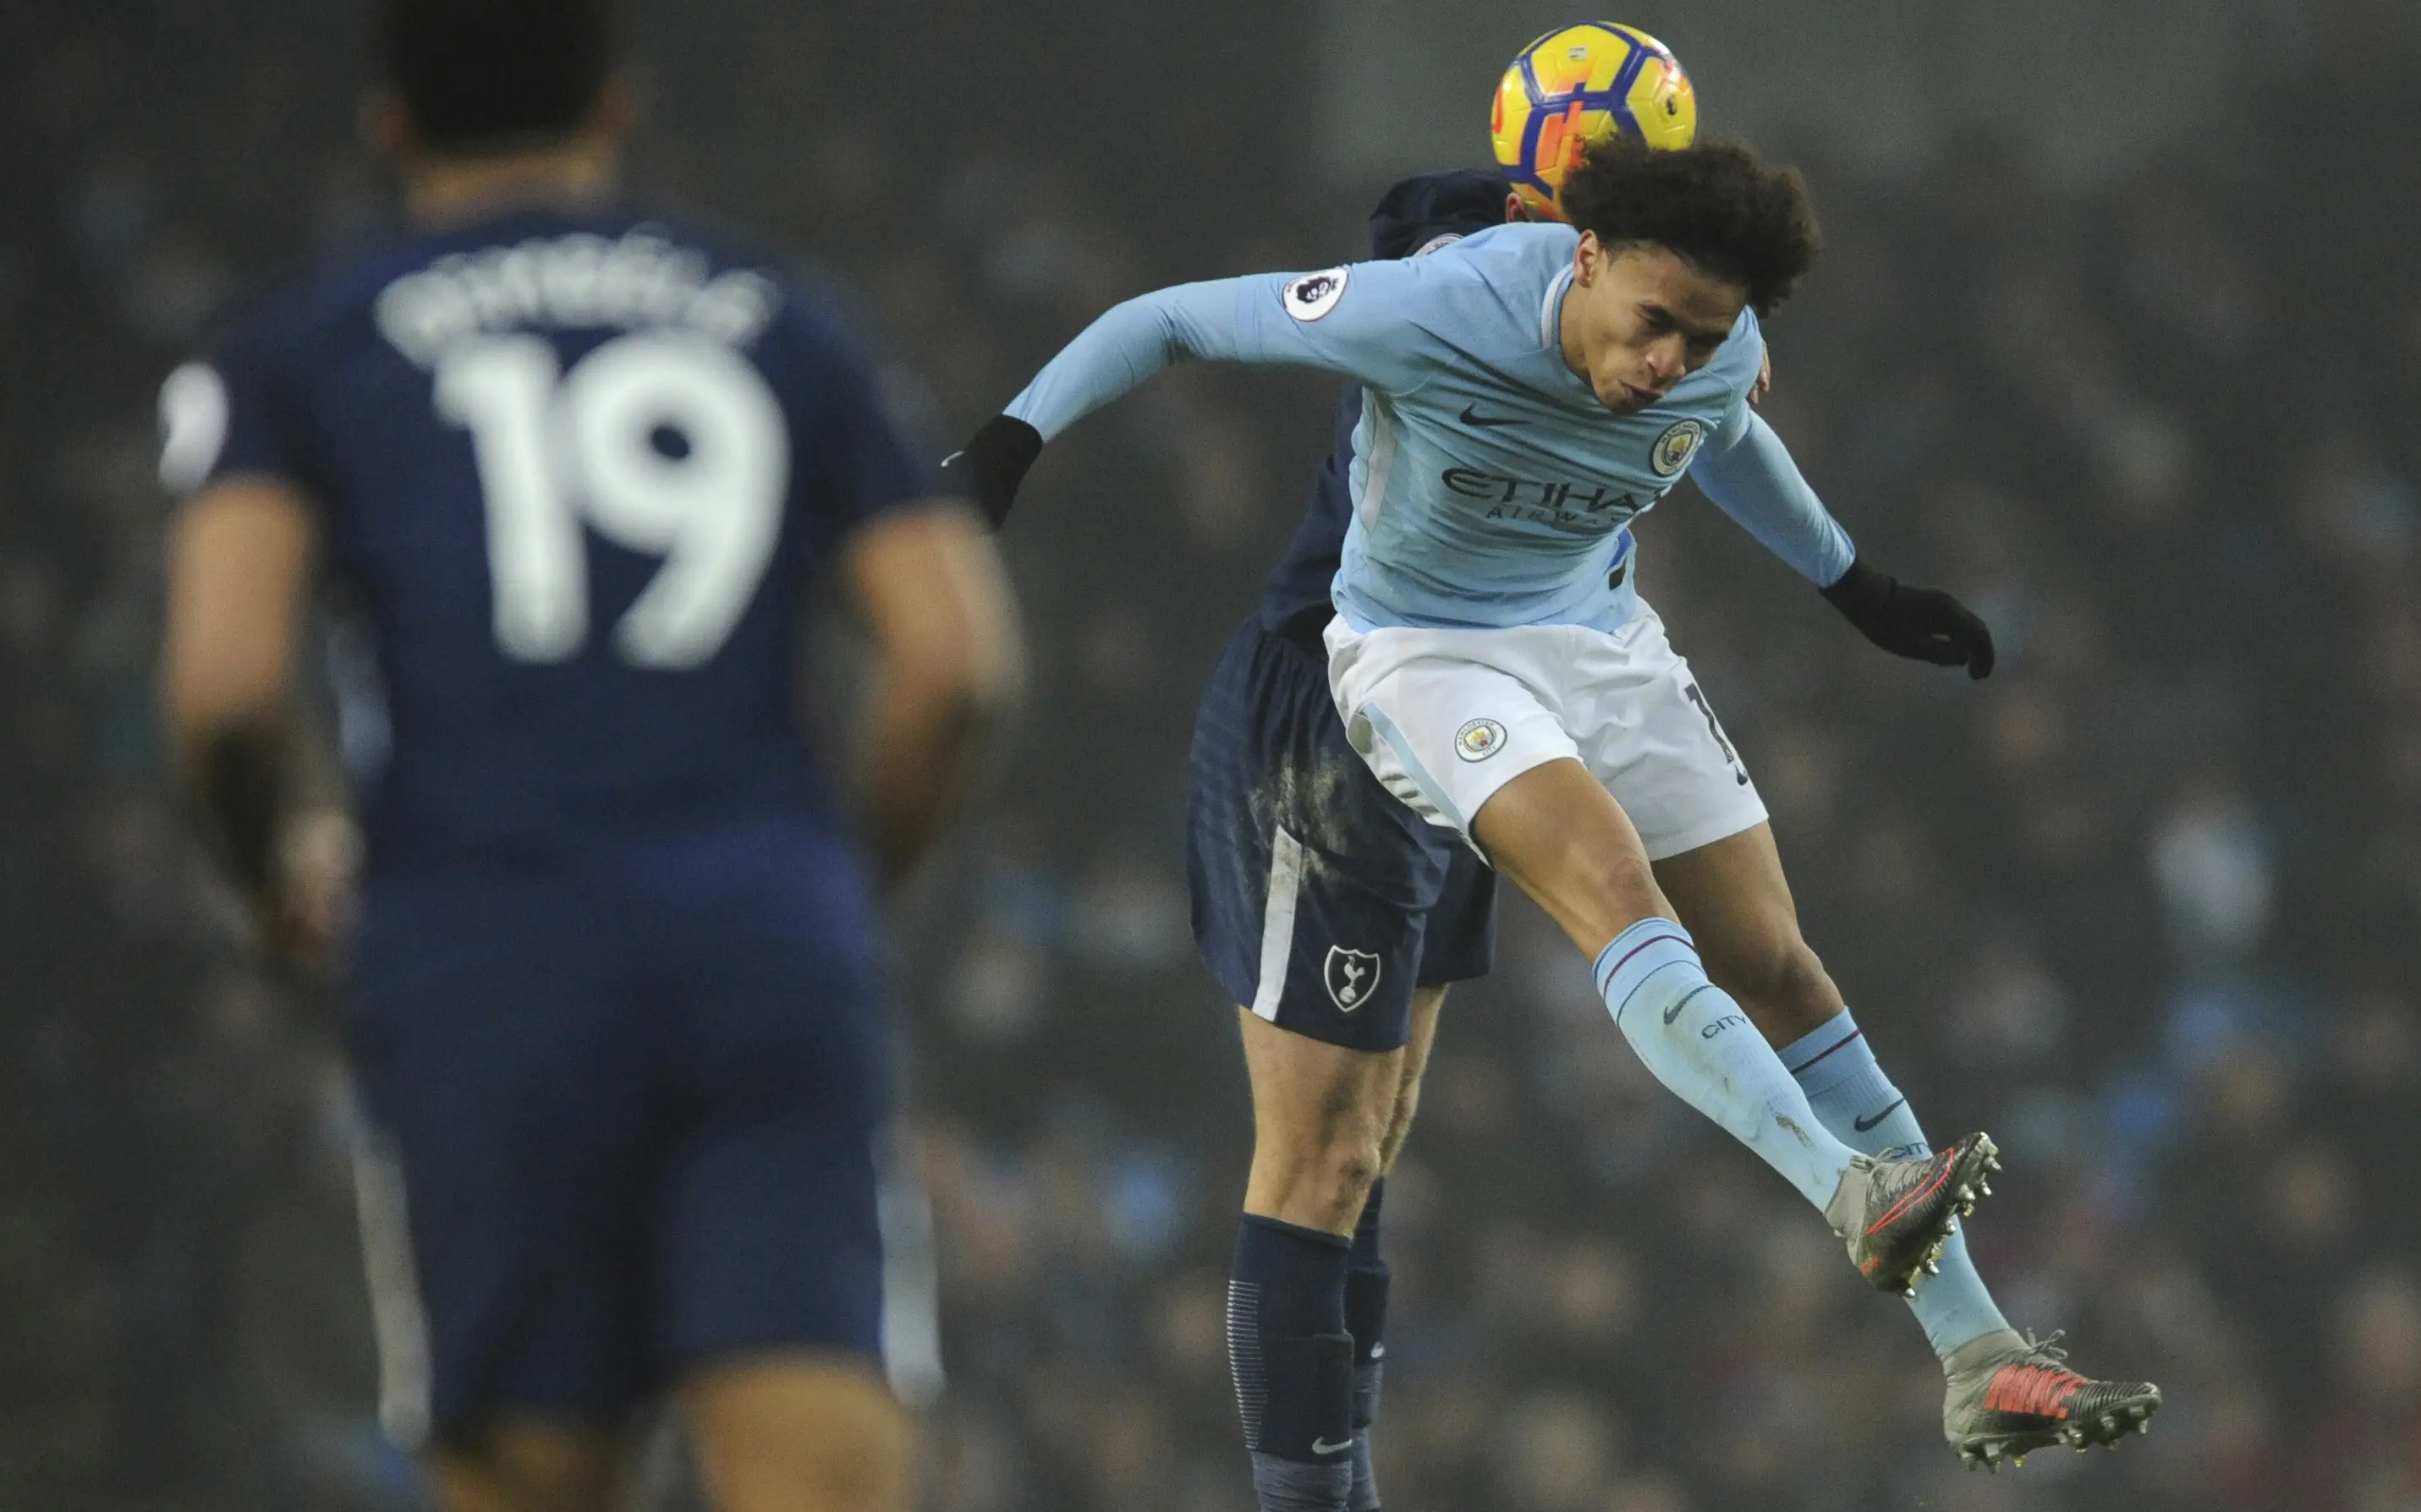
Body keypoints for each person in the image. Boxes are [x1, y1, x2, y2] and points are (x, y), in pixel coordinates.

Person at [948, 136, 2157, 1498]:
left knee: (1776, 967)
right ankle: (1842, 1192)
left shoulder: (1709, 340)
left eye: (1699, 336)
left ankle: (1976, 1352)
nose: (1665, 362)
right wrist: (1005, 444)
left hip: (1597, 643)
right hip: (1421, 655)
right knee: (1595, 907)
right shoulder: (1435, 302)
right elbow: (1172, 318)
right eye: (1649, 327)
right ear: (1581, 254)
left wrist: (1855, 586)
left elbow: (1727, 440)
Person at [156, 2, 1021, 1508]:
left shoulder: (301, 344)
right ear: (616, 111)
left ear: (391, 128)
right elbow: (954, 664)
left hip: (484, 956)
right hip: (760, 937)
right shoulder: (780, 313)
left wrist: (272, 867)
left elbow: (227, 689)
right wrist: (833, 878)